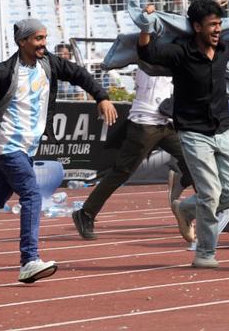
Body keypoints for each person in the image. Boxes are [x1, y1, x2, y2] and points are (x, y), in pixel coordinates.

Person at [0, 18, 115, 283]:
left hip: (29, 146)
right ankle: (29, 260)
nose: (43, 44)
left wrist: (102, 97)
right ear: (22, 41)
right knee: (31, 194)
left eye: (45, 38)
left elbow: (78, 74)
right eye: (38, 39)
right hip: (8, 145)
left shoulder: (49, 63)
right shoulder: (3, 72)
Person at [137, 0, 229, 269]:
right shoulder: (181, 52)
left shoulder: (224, 48)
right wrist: (146, 25)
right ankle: (205, 252)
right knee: (211, 193)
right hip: (193, 133)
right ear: (196, 27)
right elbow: (148, 53)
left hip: (223, 130)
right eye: (212, 25)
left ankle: (186, 208)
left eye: (220, 24)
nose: (217, 29)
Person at [73, 65, 192, 241]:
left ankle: (189, 197)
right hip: (144, 123)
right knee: (121, 172)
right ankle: (86, 213)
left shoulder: (175, 53)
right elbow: (119, 57)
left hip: (167, 123)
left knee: (194, 162)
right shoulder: (147, 54)